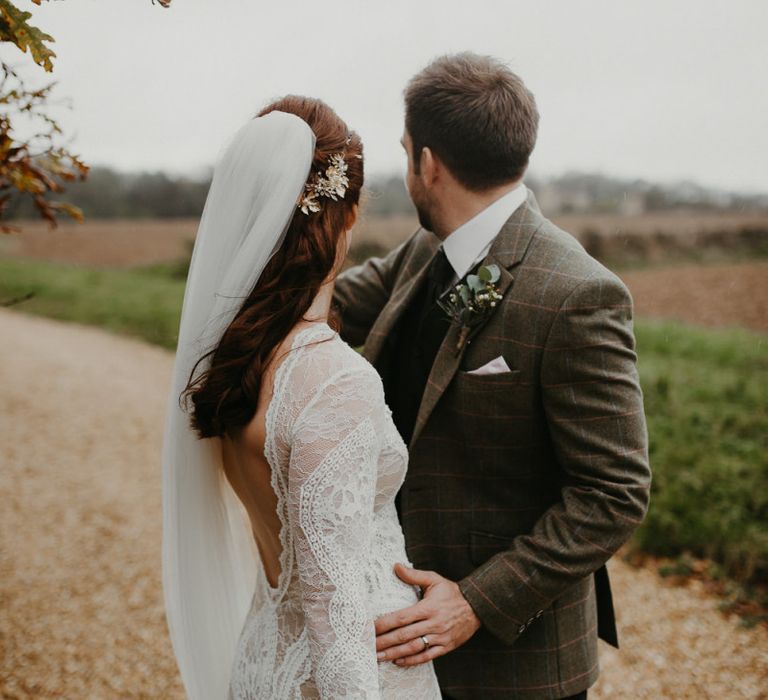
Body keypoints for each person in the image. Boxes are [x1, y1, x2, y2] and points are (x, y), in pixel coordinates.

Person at [333, 52, 652, 699]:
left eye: (404, 151)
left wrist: (475, 602)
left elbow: (614, 493)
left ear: (427, 163)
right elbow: (331, 305)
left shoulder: (578, 294)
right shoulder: (427, 248)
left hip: (516, 667)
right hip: (394, 638)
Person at [161, 96, 441, 699]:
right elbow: (334, 610)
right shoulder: (332, 381)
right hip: (351, 677)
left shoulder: (235, 363)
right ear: (346, 217)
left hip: (264, 659)